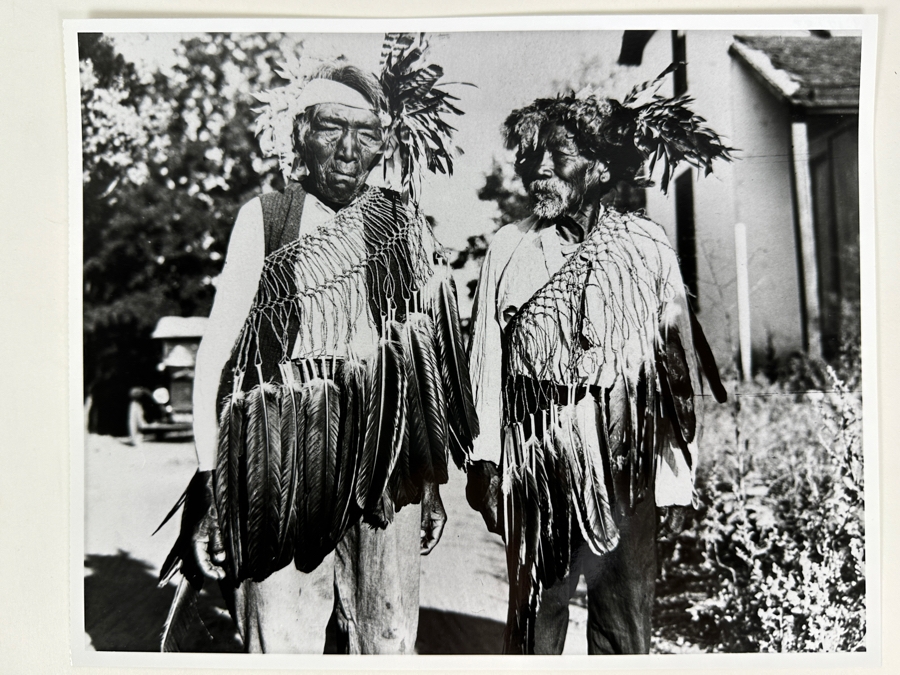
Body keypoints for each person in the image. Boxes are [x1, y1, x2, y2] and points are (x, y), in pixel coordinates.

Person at [159, 36, 477, 654]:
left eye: (365, 134)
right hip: (281, 450)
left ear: (383, 146)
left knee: (386, 636)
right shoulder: (267, 219)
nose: (349, 150)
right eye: (332, 128)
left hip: (383, 456)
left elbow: (419, 369)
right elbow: (218, 352)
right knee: (279, 636)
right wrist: (210, 478)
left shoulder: (400, 224)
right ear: (302, 135)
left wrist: (429, 482)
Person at [465, 77, 730, 654]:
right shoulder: (511, 249)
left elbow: (673, 378)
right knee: (535, 623)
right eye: (533, 159)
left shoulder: (648, 249)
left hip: (626, 467)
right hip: (538, 466)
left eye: (557, 159)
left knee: (624, 630)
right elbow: (486, 361)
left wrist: (675, 484)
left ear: (602, 170)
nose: (538, 173)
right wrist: (485, 462)